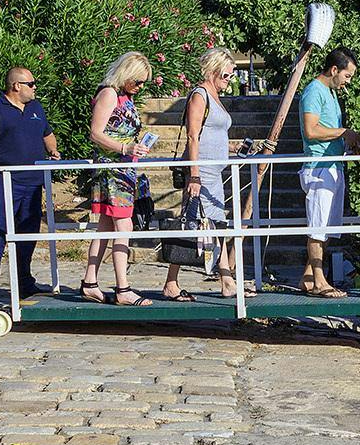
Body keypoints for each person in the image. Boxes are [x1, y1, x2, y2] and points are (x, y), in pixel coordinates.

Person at [0, 64, 58, 303]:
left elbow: (47, 133)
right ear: (16, 86)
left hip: (33, 182)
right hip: (3, 179)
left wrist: (53, 149)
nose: (35, 88)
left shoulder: (35, 107)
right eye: (31, 84)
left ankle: (23, 280)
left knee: (28, 232)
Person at [162, 48, 243, 303]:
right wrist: (194, 174)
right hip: (203, 172)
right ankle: (174, 283)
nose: (229, 80)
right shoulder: (200, 95)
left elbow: (211, 135)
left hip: (214, 173)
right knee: (196, 225)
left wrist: (232, 147)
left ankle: (223, 279)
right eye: (227, 75)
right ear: (214, 70)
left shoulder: (214, 96)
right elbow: (193, 135)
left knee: (213, 225)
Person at [80, 51, 151, 305]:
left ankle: (90, 282)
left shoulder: (124, 96)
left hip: (123, 169)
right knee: (124, 225)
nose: (140, 87)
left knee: (107, 227)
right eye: (138, 81)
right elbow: (95, 133)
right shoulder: (109, 94)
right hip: (113, 170)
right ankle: (123, 288)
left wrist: (135, 146)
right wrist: (124, 148)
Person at [297, 47, 360, 299]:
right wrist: (343, 133)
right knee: (318, 227)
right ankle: (320, 282)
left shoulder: (332, 94)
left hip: (333, 166)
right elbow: (311, 131)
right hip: (319, 168)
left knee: (328, 228)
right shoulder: (314, 91)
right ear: (334, 70)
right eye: (347, 76)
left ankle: (308, 277)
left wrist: (350, 141)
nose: (348, 81)